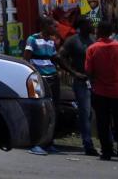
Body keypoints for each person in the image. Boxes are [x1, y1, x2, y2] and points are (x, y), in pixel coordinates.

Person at [24, 15, 85, 155]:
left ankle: (49, 142)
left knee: (53, 110)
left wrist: (74, 73)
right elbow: (26, 60)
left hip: (52, 77)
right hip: (37, 79)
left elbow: (56, 59)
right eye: (53, 26)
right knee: (38, 110)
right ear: (45, 26)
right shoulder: (32, 39)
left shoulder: (51, 42)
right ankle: (35, 144)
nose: (56, 28)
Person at [60, 18, 98, 156]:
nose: (91, 26)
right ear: (81, 26)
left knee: (100, 112)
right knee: (85, 113)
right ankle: (88, 143)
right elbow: (60, 56)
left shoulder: (93, 39)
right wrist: (74, 72)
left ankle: (107, 142)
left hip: (96, 81)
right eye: (88, 24)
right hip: (81, 81)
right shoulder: (73, 41)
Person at [86, 20, 118, 161]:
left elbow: (88, 71)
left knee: (102, 122)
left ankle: (106, 151)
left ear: (98, 31)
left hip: (100, 91)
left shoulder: (92, 49)